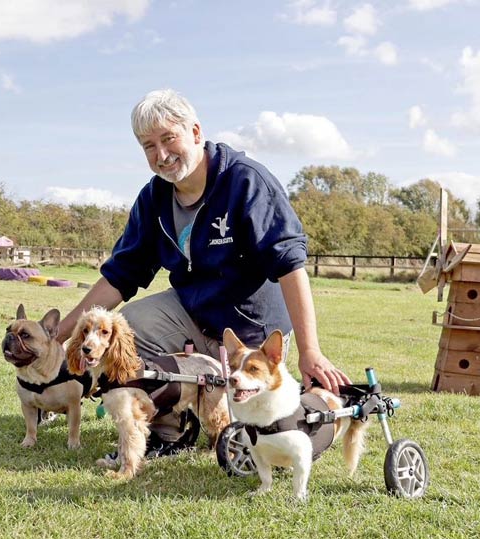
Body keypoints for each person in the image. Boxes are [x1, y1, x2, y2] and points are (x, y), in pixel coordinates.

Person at [57, 88, 350, 456]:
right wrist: (58, 336)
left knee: (253, 434)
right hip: (191, 315)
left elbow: (291, 265)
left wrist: (311, 352)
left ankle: (224, 407)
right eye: (149, 146)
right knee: (128, 327)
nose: (161, 155)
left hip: (248, 332)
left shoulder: (245, 182)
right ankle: (169, 431)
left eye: (168, 139)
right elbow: (120, 275)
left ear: (195, 133)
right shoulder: (154, 199)